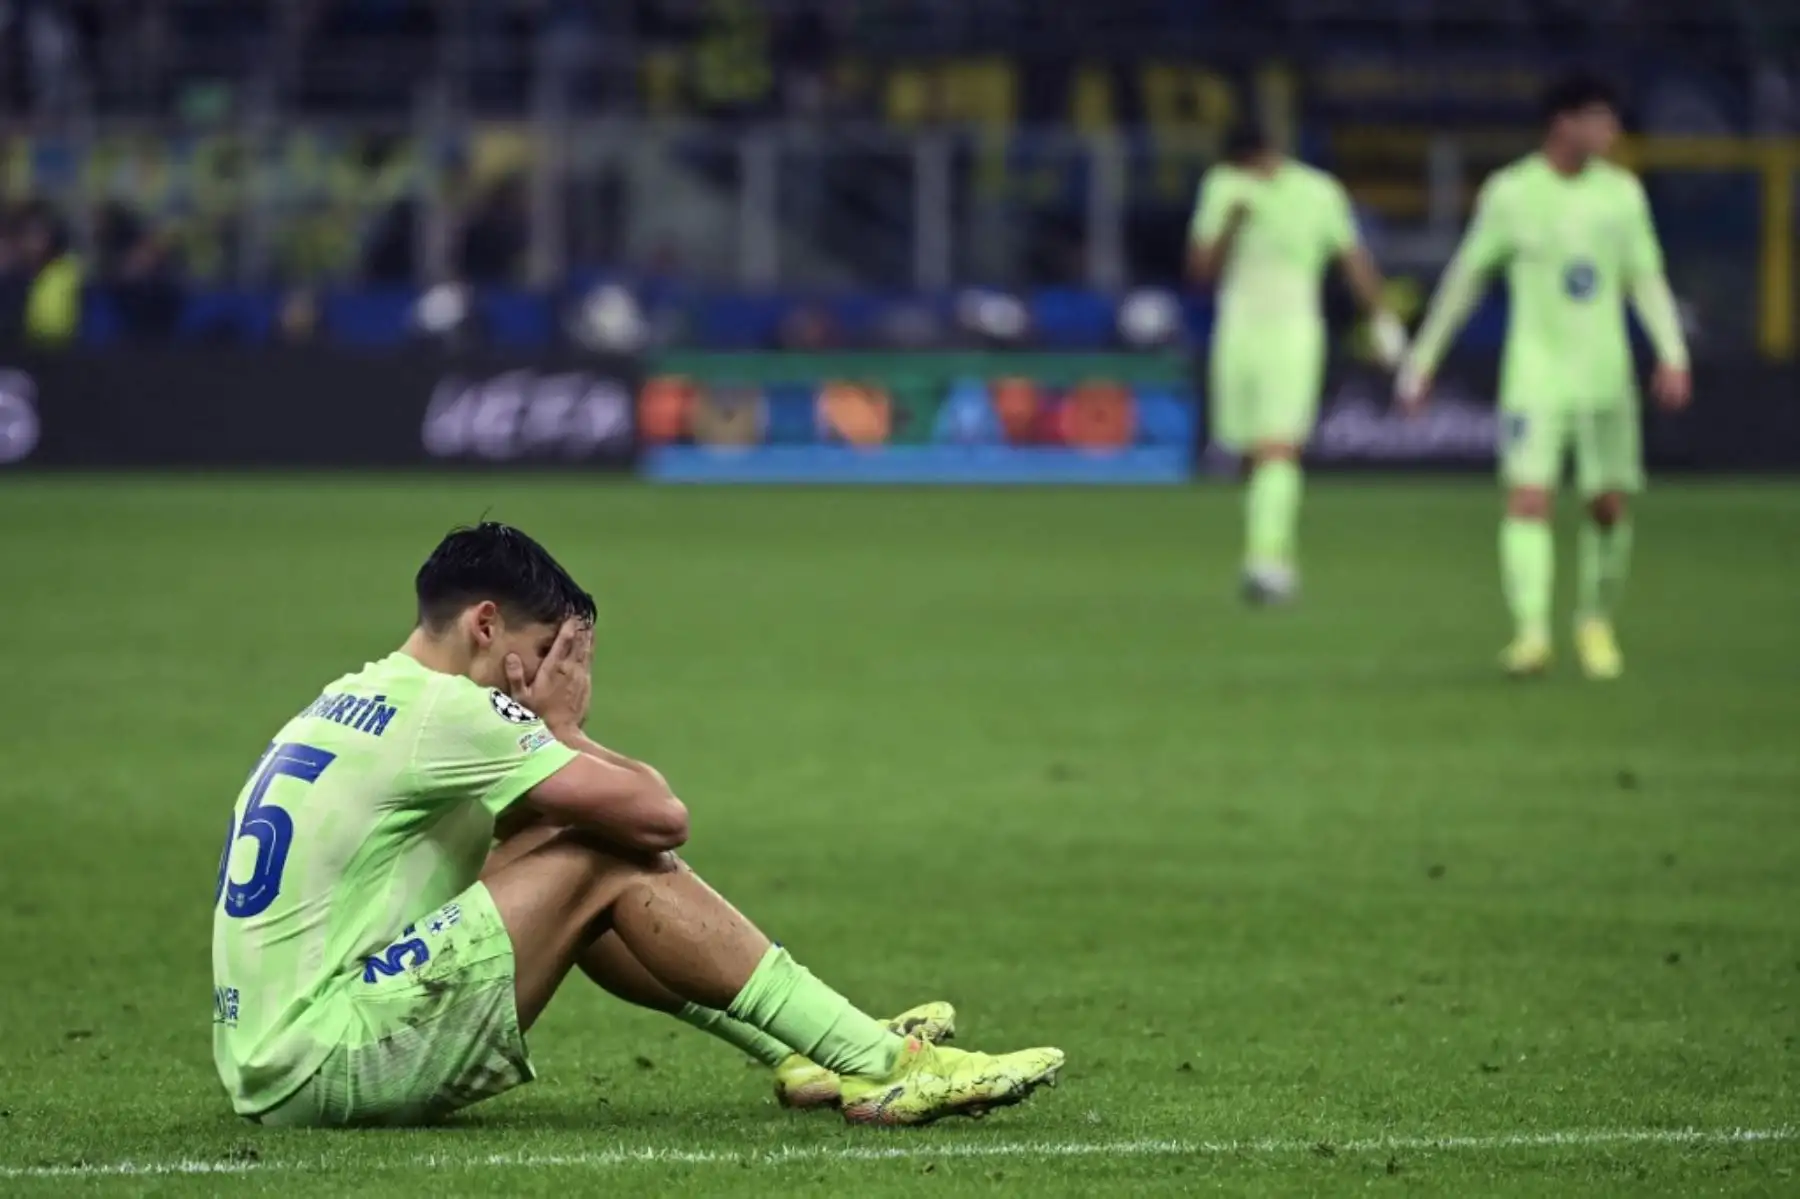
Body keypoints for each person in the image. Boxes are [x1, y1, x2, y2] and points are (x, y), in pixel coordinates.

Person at [212, 523, 1063, 1128]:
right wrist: (565, 730)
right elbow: (661, 818)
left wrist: (545, 744)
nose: (543, 673)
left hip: (276, 1057)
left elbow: (528, 832)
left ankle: (813, 1048)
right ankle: (881, 1067)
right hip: (331, 1060)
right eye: (542, 648)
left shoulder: (357, 697)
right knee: (599, 853)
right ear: (484, 623)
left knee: (562, 850)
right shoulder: (450, 713)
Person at [1398, 73, 1691, 679]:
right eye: (1600, 118)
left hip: (1605, 375)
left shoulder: (1622, 196)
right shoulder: (1511, 193)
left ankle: (1593, 619)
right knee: (1528, 498)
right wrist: (1423, 359)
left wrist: (1672, 351)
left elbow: (1645, 279)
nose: (1611, 131)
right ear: (1564, 122)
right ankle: (1530, 634)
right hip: (1535, 373)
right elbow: (1466, 279)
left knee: (1607, 505)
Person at [1188, 123, 1409, 604]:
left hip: (1294, 333)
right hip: (1238, 333)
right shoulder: (1222, 188)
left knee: (1278, 448)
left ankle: (1267, 562)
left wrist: (1384, 322)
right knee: (1248, 456)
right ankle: (1268, 549)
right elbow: (1200, 272)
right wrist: (1231, 222)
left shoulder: (1318, 192)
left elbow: (1352, 259)